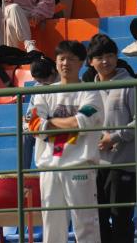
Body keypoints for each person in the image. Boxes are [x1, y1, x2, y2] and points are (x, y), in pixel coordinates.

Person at [25, 40, 104, 243]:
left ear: (82, 62)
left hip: (80, 165)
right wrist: (68, 123)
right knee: (52, 224)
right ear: (56, 62)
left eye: (71, 59)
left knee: (85, 223)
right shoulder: (43, 92)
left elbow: (81, 122)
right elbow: (33, 125)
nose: (65, 63)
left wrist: (48, 123)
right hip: (49, 167)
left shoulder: (91, 93)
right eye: (61, 59)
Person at [87, 35, 137, 242]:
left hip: (123, 165)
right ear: (90, 61)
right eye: (99, 57)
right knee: (99, 220)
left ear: (117, 57)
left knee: (121, 220)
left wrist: (114, 137)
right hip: (95, 166)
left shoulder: (130, 84)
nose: (105, 61)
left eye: (110, 55)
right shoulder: (87, 90)